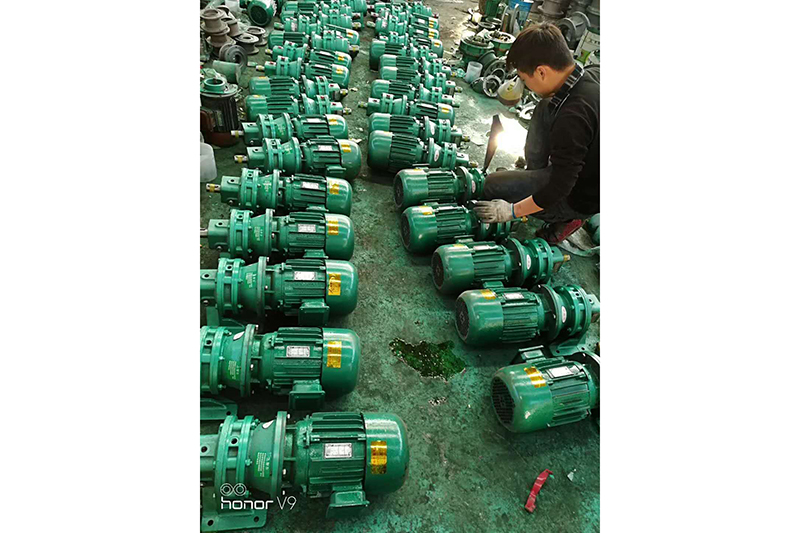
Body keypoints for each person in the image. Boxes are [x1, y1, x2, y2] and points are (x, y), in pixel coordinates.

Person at [473, 23, 599, 244]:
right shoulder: (588, 75)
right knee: (545, 105)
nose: (525, 86)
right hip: (587, 166)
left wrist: (511, 211)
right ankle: (534, 174)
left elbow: (559, 187)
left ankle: (569, 218)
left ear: (541, 71)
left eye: (524, 79)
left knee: (491, 185)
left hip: (579, 195)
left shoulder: (572, 117)